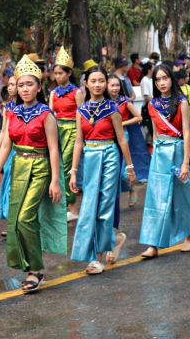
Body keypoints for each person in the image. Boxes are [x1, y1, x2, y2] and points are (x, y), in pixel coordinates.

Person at [0, 55, 66, 294]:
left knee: (25, 219)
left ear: (39, 87)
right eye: (20, 85)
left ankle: (37, 270)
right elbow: (6, 145)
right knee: (16, 220)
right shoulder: (12, 113)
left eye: (29, 84)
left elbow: (54, 149)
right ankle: (29, 264)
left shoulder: (46, 114)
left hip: (40, 167)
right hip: (19, 167)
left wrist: (54, 180)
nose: (24, 89)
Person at [69, 66, 135, 275]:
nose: (97, 85)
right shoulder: (81, 111)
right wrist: (73, 170)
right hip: (90, 156)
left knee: (105, 206)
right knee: (89, 207)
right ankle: (113, 240)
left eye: (101, 81)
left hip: (110, 156)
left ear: (106, 84)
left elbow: (122, 139)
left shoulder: (113, 108)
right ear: (86, 84)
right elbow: (78, 143)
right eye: (93, 81)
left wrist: (130, 167)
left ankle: (97, 256)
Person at [139, 64, 190, 259]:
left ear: (171, 79)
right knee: (155, 198)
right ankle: (153, 244)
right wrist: (155, 152)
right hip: (160, 154)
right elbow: (155, 132)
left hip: (178, 150)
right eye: (158, 80)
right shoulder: (152, 104)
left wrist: (186, 163)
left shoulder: (182, 102)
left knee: (182, 195)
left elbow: (187, 132)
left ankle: (188, 237)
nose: (162, 83)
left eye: (165, 78)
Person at [49, 47, 83, 221]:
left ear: (69, 73)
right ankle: (60, 206)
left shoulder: (77, 93)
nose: (58, 76)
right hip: (57, 131)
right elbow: (50, 115)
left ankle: (72, 207)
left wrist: (80, 137)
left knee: (69, 167)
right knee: (56, 167)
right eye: (55, 73)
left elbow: (82, 115)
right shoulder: (53, 93)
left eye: (61, 73)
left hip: (72, 131)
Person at [107, 74, 143, 211]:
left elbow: (138, 117)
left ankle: (132, 188)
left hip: (123, 136)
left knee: (123, 173)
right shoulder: (102, 102)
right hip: (107, 137)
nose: (115, 88)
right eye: (112, 85)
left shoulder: (124, 101)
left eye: (117, 85)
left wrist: (121, 123)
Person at [0, 75, 17, 232]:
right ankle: (11, 222)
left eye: (14, 84)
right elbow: (3, 134)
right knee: (8, 186)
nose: (11, 87)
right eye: (10, 84)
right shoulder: (8, 108)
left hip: (24, 152)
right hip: (9, 152)